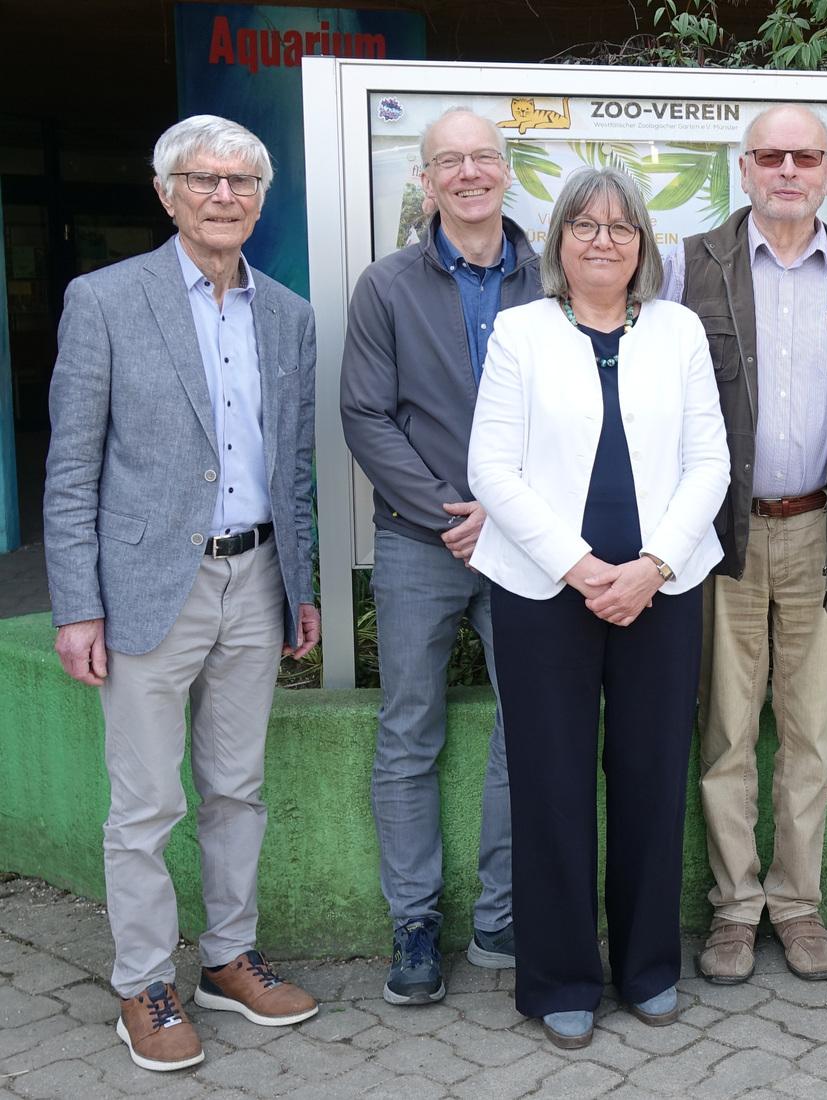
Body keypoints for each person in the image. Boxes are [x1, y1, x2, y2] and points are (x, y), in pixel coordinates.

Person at [43, 114, 320, 1072]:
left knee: (238, 788)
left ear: (259, 198)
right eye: (202, 179)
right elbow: (72, 466)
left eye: (242, 182)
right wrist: (78, 603)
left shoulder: (286, 312)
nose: (223, 195)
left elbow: (295, 468)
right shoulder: (105, 299)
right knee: (146, 803)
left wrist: (304, 585)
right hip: (148, 586)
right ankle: (144, 982)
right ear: (167, 194)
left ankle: (229, 958)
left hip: (257, 578)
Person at [467, 166, 730, 1048]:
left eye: (621, 227)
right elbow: (491, 470)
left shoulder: (679, 331)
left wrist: (650, 566)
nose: (603, 240)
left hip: (663, 589)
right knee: (550, 784)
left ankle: (648, 966)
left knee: (653, 779)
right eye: (584, 225)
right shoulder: (519, 333)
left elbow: (710, 465)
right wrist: (583, 570)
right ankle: (559, 979)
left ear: (643, 246)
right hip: (545, 593)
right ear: (558, 243)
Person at [663, 103, 827, 984]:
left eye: (806, 156)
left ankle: (797, 907)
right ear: (743, 167)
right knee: (726, 731)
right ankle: (734, 911)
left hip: (822, 532)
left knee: (810, 734)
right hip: (720, 536)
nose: (787, 170)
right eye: (770, 155)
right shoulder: (688, 265)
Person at [341, 106, 540, 1004]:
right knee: (407, 732)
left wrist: (507, 518)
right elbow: (365, 415)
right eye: (447, 161)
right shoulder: (386, 286)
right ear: (425, 181)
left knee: (526, 729)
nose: (467, 173)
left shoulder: (552, 276)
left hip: (531, 547)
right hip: (420, 541)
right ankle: (414, 923)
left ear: (506, 172)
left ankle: (502, 917)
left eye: (482, 158)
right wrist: (449, 510)